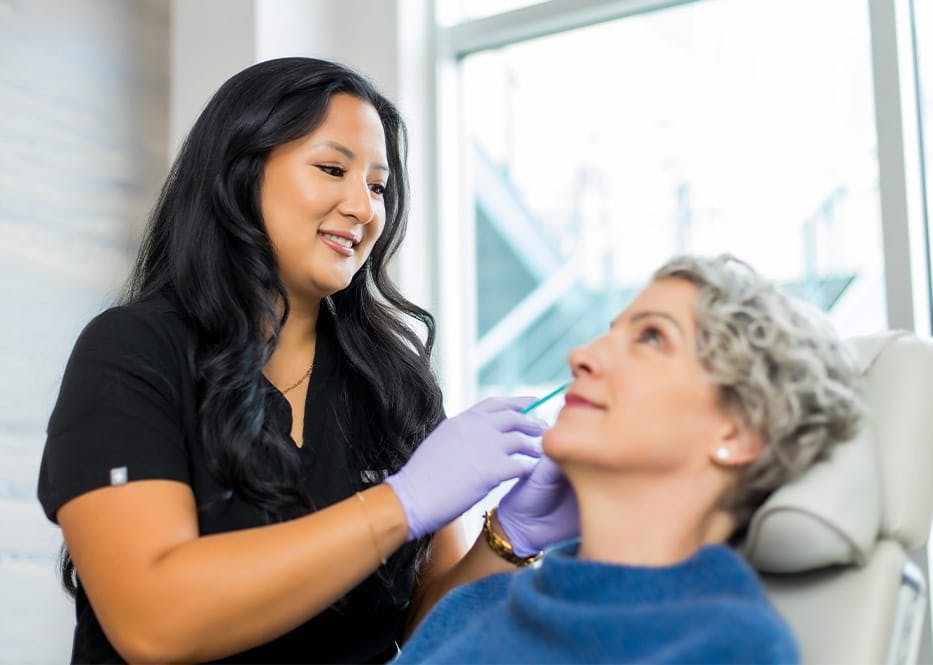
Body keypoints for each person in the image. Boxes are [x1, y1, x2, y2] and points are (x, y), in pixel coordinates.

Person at [36, 57, 570, 664]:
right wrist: (401, 502)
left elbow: (430, 638)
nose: (364, 209)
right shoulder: (132, 351)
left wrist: (508, 539)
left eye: (377, 186)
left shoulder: (393, 388)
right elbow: (153, 622)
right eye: (332, 169)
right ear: (240, 172)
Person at [394, 253, 865, 664]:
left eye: (653, 337)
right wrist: (506, 537)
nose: (581, 355)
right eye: (611, 332)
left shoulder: (725, 643)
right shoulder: (475, 602)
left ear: (738, 431)